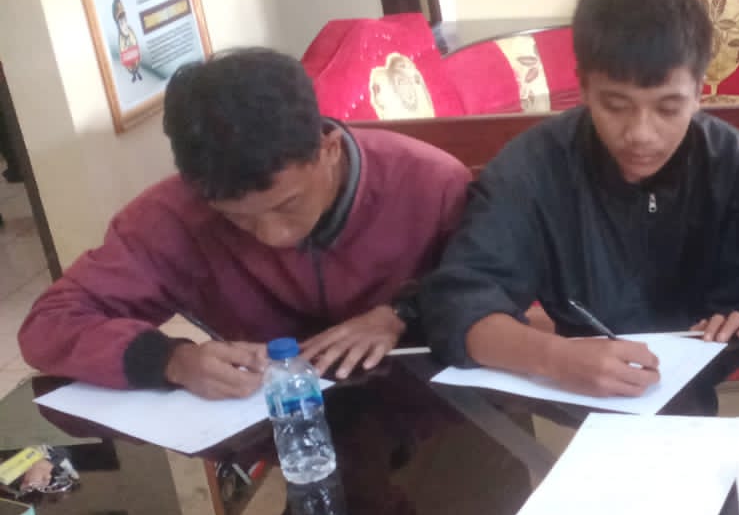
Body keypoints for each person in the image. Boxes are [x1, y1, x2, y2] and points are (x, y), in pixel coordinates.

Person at [19, 48, 472, 397]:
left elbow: (496, 286)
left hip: (434, 413)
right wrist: (171, 359)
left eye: (288, 204)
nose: (274, 237)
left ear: (329, 148)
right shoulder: (172, 215)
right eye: (236, 218)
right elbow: (50, 324)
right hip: (272, 424)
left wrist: (401, 313)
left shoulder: (430, 182)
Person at [420, 0, 739, 399]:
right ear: (583, 87)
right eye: (615, 106)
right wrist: (554, 357)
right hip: (578, 389)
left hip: (705, 388)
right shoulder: (531, 170)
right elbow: (457, 305)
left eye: (668, 108)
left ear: (699, 92)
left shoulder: (737, 167)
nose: (640, 134)